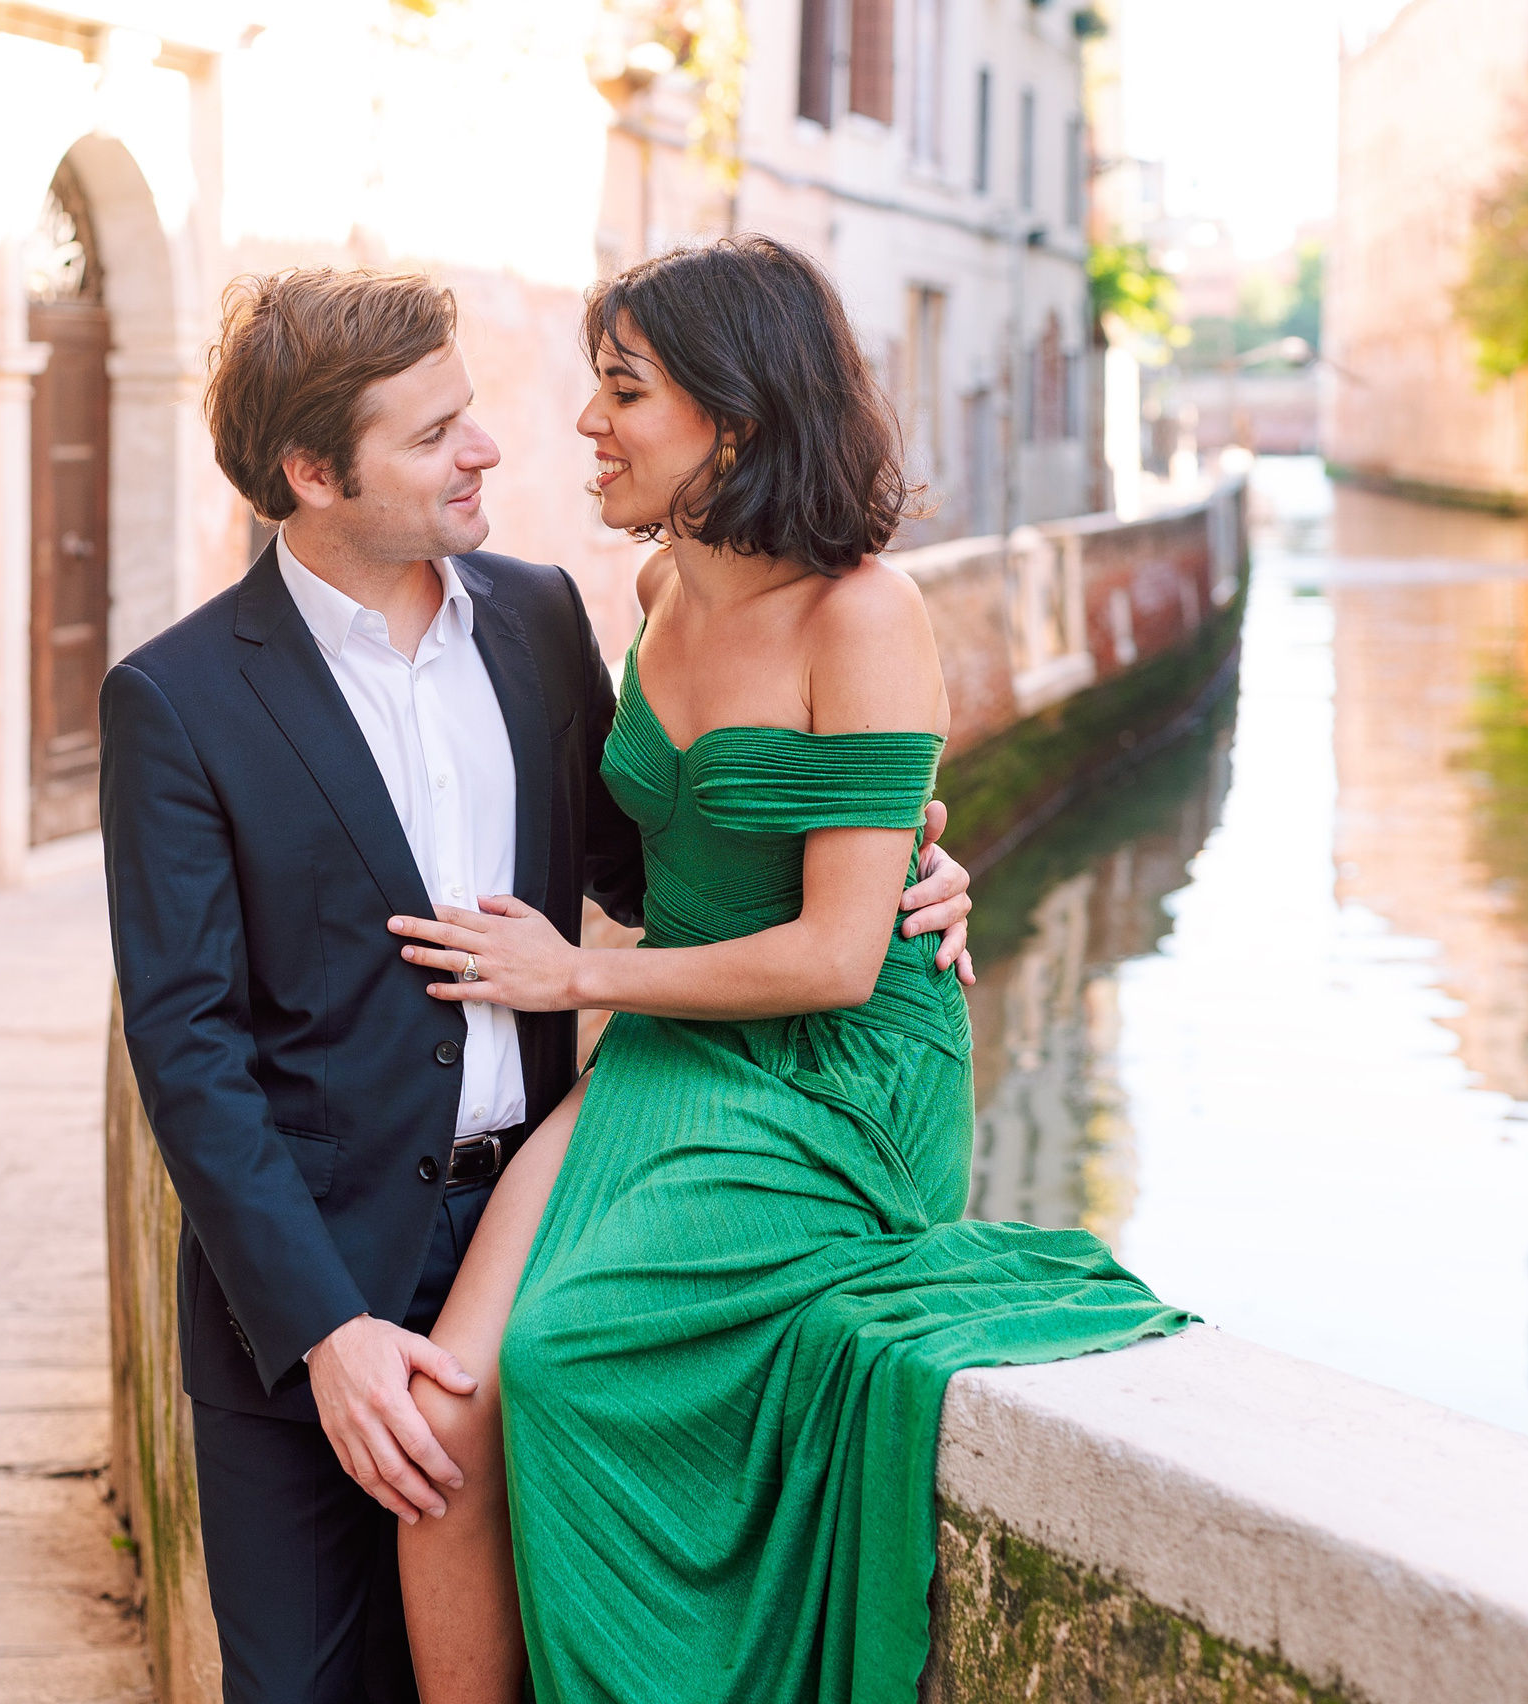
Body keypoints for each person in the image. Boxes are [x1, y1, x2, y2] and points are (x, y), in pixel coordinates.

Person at [97, 266, 980, 1704]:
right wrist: (322, 1331)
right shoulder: (177, 700)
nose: (492, 446)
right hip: (319, 1272)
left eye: (471, 412)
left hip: (559, 1172)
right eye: (434, 433)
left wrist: (911, 871)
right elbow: (187, 1051)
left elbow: (667, 868)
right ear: (313, 472)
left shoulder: (539, 618)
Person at [385, 237, 1195, 1704]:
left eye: (626, 390)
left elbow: (834, 956)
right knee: (445, 1411)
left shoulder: (864, 614)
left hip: (835, 1078)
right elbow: (669, 860)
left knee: (564, 1356)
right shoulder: (658, 588)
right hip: (673, 1046)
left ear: (738, 417)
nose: (587, 422)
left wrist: (575, 979)